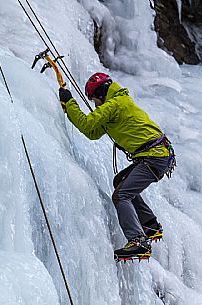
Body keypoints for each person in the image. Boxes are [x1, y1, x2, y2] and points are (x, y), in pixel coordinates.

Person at [58, 72, 175, 261]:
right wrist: (71, 109)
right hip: (158, 155)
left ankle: (138, 241)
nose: (96, 104)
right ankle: (150, 225)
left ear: (102, 94)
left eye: (96, 99)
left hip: (154, 156)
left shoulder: (114, 104)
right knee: (120, 181)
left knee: (121, 195)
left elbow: (87, 125)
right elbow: (93, 132)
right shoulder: (117, 104)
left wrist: (70, 102)